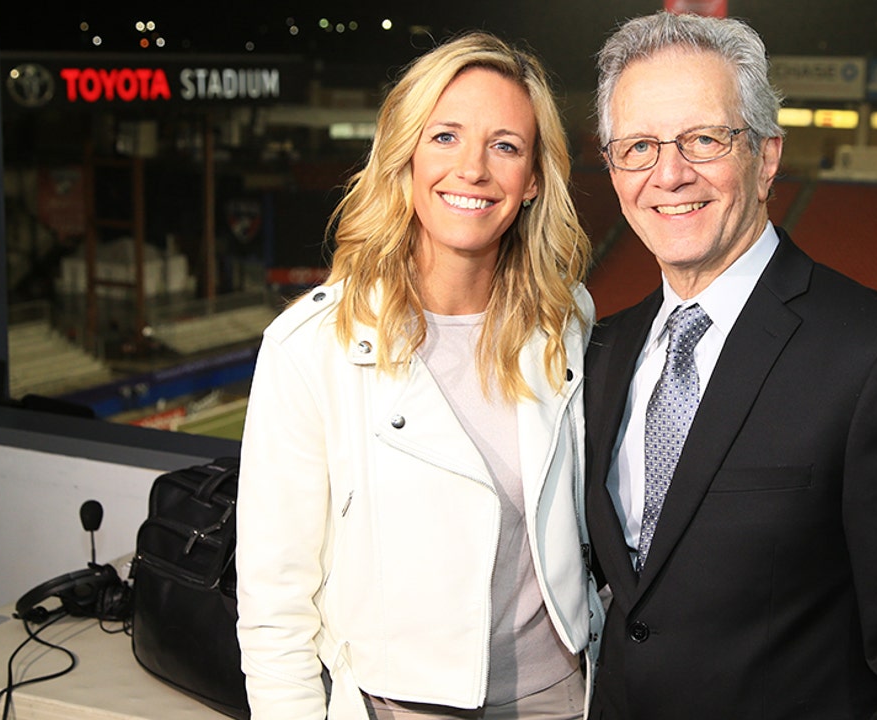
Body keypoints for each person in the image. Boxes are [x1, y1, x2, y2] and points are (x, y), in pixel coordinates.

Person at [582, 12, 877, 719]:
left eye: (704, 139)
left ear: (767, 155)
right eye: (639, 147)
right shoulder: (602, 350)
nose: (670, 173)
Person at [236, 32, 603, 720]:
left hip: (561, 695)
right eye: (445, 137)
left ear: (531, 183)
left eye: (505, 146)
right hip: (398, 705)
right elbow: (274, 601)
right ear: (404, 157)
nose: (473, 169)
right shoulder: (311, 346)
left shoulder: (567, 319)